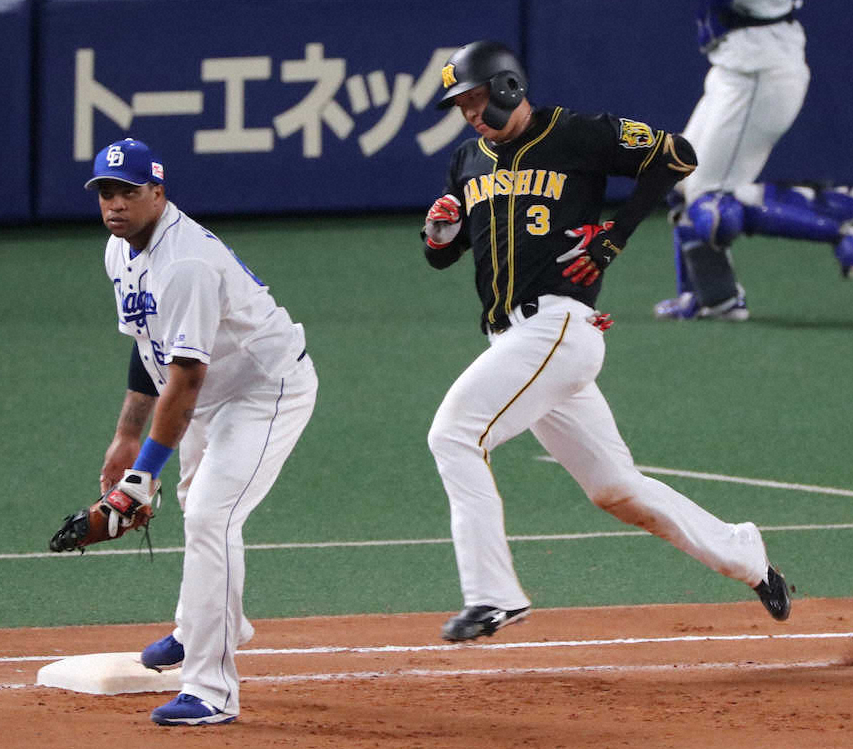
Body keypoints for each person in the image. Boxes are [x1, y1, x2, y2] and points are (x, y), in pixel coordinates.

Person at [420, 40, 791, 642]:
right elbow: (450, 254)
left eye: (475, 97)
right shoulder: (468, 160)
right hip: (514, 344)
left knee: (453, 434)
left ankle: (493, 595)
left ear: (509, 86)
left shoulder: (577, 133)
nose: (466, 111)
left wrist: (614, 235)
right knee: (616, 489)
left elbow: (678, 155)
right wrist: (439, 237)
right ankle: (746, 556)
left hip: (556, 329)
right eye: (460, 102)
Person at [86, 138, 317, 725]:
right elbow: (150, 350)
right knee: (199, 504)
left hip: (265, 390)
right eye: (106, 192)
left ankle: (211, 692)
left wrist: (142, 477)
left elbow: (184, 379)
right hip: (211, 391)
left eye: (129, 192)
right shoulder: (121, 251)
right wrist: (126, 438)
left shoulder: (183, 263)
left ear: (158, 194)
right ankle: (205, 627)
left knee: (213, 515)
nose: (116, 204)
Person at [654, 0, 853, 321]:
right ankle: (715, 297)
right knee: (678, 176)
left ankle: (839, 225)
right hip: (739, 66)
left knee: (711, 205)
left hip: (760, 71)